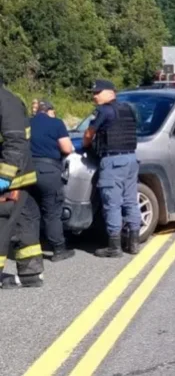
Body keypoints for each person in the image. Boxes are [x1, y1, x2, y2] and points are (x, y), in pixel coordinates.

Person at [82, 79, 142, 257]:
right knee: (131, 201)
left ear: (110, 92)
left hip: (113, 161)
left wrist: (86, 146)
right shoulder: (128, 109)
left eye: (97, 92)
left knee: (112, 204)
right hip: (131, 159)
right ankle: (134, 243)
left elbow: (88, 134)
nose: (94, 96)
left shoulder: (104, 111)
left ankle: (114, 247)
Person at [0, 79, 43, 288]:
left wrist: (3, 178)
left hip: (10, 178)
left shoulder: (5, 102)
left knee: (2, 223)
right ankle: (30, 274)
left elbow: (15, 142)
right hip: (19, 177)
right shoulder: (8, 101)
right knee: (24, 222)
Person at [30, 100, 74, 262]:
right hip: (48, 172)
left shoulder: (26, 123)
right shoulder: (56, 123)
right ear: (49, 111)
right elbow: (67, 148)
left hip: (26, 172)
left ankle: (30, 249)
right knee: (52, 212)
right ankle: (58, 249)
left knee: (30, 213)